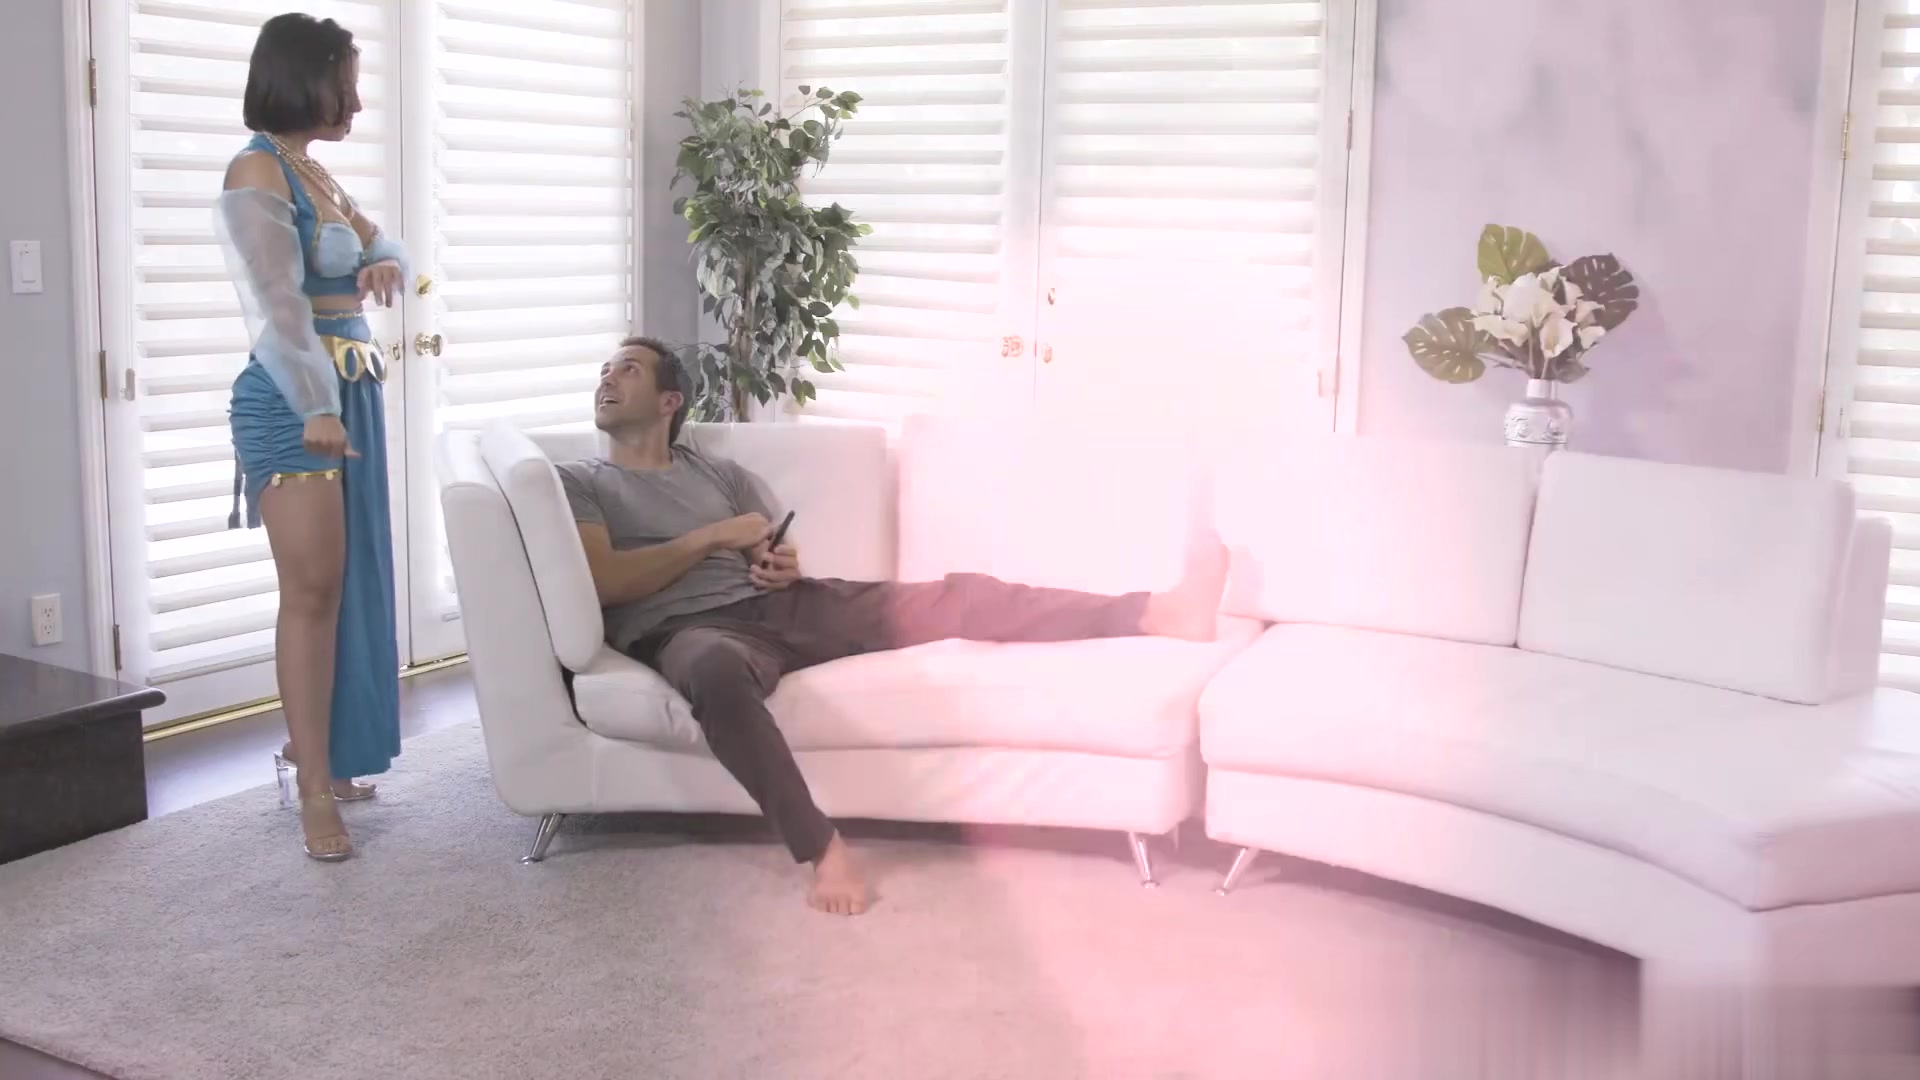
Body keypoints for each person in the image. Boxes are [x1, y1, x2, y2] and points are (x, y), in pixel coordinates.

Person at [558, 336, 1228, 915]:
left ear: (670, 401)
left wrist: (779, 565)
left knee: (961, 597)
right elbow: (609, 582)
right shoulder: (583, 483)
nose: (606, 380)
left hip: (782, 607)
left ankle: (1154, 611)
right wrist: (710, 538)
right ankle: (822, 848)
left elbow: (772, 553)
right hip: (689, 630)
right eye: (604, 371)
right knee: (715, 677)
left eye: (627, 370)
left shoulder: (720, 475)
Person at [217, 13, 408, 862]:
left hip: (345, 393)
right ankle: (311, 791)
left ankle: (324, 754)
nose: (355, 104)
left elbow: (383, 241)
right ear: (304, 79)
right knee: (312, 591)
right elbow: (278, 304)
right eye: (345, 86)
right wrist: (316, 406)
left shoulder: (313, 170)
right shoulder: (258, 167)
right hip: (298, 401)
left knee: (346, 583)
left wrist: (382, 261)